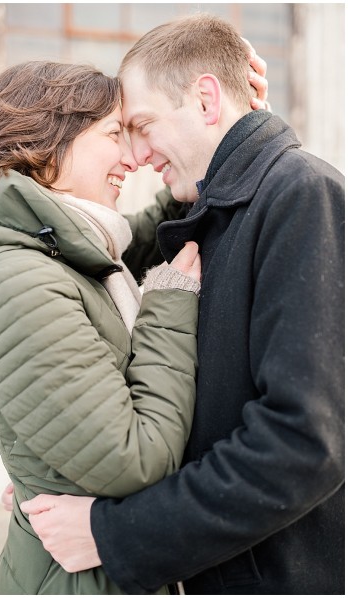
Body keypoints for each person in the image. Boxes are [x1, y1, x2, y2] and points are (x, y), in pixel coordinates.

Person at [20, 14, 345, 595]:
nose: (138, 154)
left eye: (142, 126)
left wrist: (114, 532)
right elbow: (122, 244)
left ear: (205, 99)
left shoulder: (302, 196)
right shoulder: (222, 211)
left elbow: (303, 444)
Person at [0, 59, 207, 594]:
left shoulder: (50, 250)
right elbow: (134, 459)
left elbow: (142, 235)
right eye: (115, 134)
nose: (133, 158)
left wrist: (213, 141)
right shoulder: (16, 284)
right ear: (44, 147)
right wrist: (168, 304)